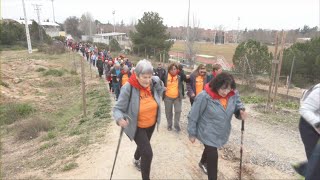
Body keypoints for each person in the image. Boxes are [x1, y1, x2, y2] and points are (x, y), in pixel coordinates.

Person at [187, 72, 247, 180]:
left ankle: (202, 162)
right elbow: (193, 115)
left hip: (222, 131)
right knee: (213, 155)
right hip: (207, 131)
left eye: (228, 89)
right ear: (217, 85)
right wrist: (192, 133)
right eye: (223, 89)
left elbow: (238, 105)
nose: (226, 92)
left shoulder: (233, 94)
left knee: (211, 148)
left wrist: (240, 112)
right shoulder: (204, 96)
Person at [113, 59, 165, 180]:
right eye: (144, 77)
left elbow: (160, 91)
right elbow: (117, 109)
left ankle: (136, 159)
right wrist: (120, 119)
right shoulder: (128, 88)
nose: (147, 80)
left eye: (149, 76)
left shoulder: (153, 84)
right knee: (147, 153)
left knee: (143, 146)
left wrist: (160, 85)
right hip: (137, 126)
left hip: (151, 124)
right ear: (136, 75)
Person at [293, 83, 320, 179]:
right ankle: (307, 170)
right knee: (316, 166)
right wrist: (318, 123)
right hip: (309, 126)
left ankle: (304, 168)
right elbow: (305, 109)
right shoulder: (319, 91)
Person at [163, 63, 183, 132]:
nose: (173, 71)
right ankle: (169, 125)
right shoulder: (165, 76)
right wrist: (162, 87)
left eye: (175, 69)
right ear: (169, 70)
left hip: (177, 98)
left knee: (178, 110)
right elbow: (159, 83)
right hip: (167, 97)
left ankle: (176, 125)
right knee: (168, 112)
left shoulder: (179, 77)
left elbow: (186, 81)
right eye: (171, 69)